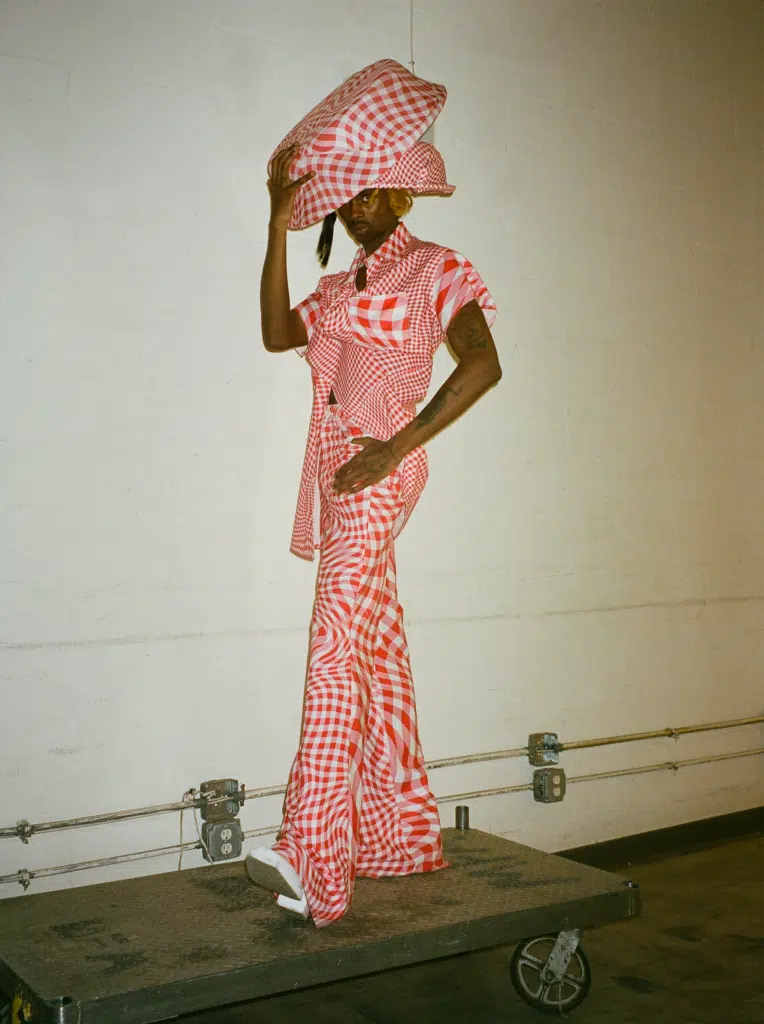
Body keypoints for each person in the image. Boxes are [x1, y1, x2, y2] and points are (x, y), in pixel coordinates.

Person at [245, 64, 502, 929]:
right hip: (336, 474)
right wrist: (280, 224)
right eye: (346, 195)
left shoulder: (436, 266)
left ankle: (310, 851)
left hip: (378, 469)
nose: (358, 205)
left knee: (328, 646)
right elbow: (279, 335)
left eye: (371, 191)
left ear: (403, 192)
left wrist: (394, 448)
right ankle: (398, 837)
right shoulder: (338, 288)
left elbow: (483, 365)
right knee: (374, 655)